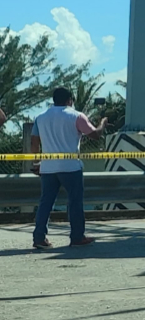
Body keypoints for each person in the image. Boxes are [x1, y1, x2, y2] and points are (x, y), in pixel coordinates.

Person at [30, 88, 107, 249]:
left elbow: (34, 142)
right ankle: (77, 237)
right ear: (69, 100)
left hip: (48, 167)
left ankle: (39, 237)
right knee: (74, 202)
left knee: (45, 202)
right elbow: (94, 135)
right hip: (70, 167)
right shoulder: (76, 115)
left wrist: (36, 163)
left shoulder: (41, 117)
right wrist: (102, 124)